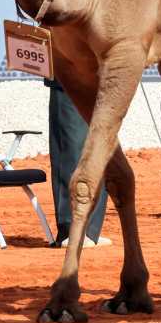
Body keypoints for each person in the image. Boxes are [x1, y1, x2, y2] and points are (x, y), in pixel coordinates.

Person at [44, 78, 110, 248]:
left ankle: (91, 231)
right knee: (71, 152)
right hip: (68, 78)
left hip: (101, 79)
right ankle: (71, 230)